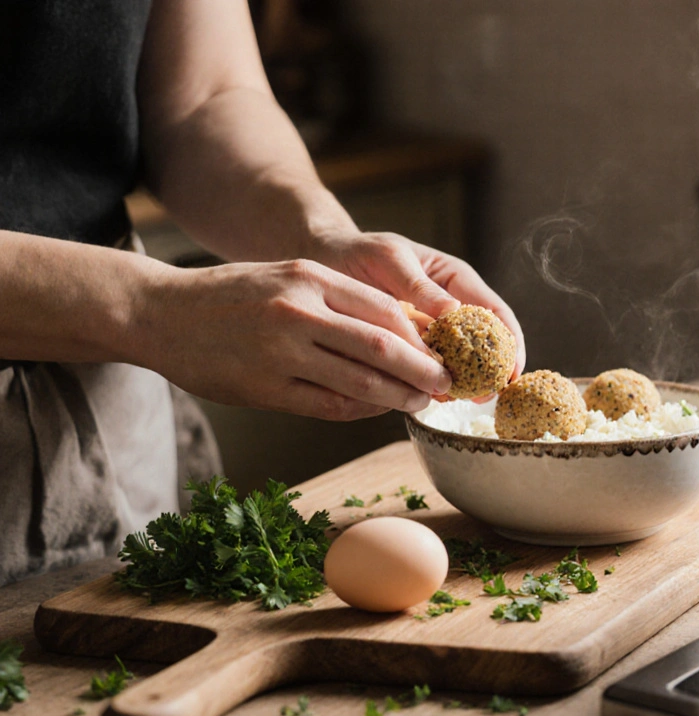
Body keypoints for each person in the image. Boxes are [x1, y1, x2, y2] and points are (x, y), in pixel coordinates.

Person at [0, 1, 525, 585]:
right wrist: (151, 311)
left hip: (107, 394)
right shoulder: (150, 314)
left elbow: (206, 99)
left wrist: (323, 236)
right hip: (124, 327)